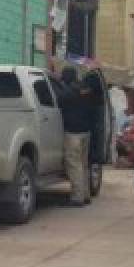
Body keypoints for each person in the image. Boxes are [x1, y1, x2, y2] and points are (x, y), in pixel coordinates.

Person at [58, 66, 92, 206]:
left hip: (73, 133)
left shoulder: (67, 93)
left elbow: (58, 101)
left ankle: (77, 198)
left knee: (74, 164)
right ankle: (85, 195)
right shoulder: (85, 90)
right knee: (83, 164)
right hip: (86, 132)